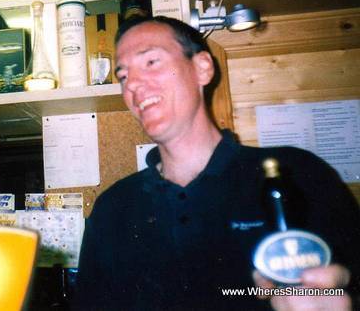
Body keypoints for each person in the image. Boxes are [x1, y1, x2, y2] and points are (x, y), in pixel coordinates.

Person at [75, 16, 360, 310]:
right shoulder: (113, 208)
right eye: (123, 76)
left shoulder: (295, 172)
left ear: (202, 68)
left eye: (151, 62)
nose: (132, 84)